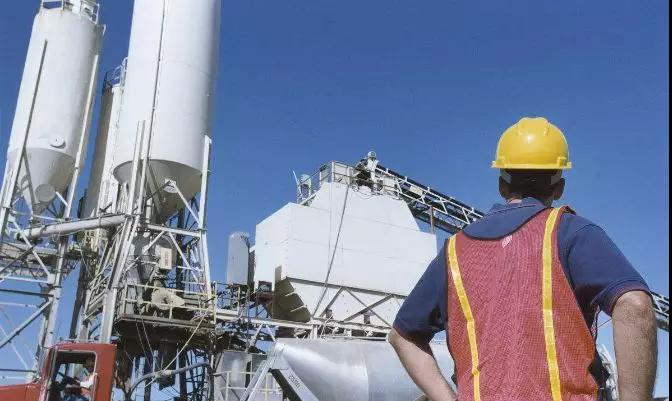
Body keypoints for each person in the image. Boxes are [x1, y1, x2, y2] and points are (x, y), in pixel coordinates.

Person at [389, 117, 658, 401]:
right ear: (559, 188)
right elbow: (635, 304)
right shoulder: (570, 233)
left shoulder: (453, 251)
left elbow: (402, 336)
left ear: (502, 186)